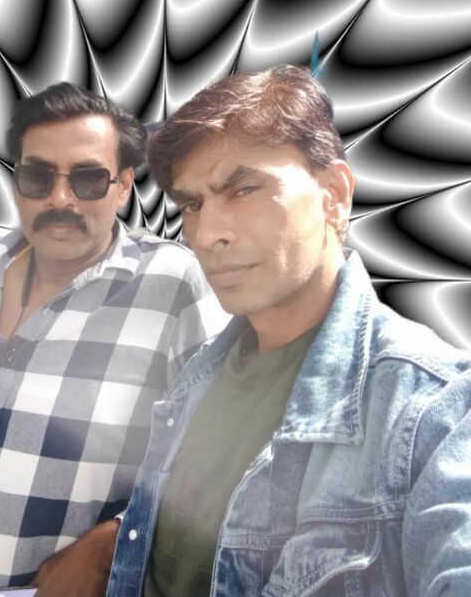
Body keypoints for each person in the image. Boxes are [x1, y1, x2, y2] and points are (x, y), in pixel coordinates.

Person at [0, 82, 228, 596]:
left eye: (88, 178)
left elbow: (224, 448)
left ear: (123, 186)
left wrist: (113, 540)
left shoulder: (173, 286)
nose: (60, 198)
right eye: (37, 176)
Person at [106, 65, 471, 596]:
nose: (206, 234)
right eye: (193, 204)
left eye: (244, 189)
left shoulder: (435, 406)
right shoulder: (199, 371)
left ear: (334, 195)